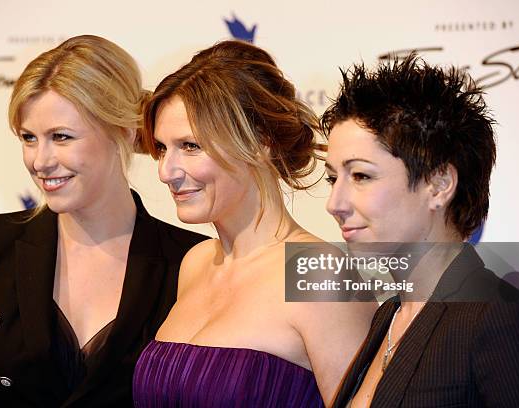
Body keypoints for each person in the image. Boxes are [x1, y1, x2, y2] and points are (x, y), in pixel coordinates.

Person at [0, 35, 207, 407]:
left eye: (61, 137)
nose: (40, 161)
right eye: (29, 138)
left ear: (122, 131)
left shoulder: (193, 261)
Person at [131, 40, 376, 407]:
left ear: (260, 142)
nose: (166, 172)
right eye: (163, 148)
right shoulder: (195, 263)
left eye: (191, 146)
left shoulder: (318, 274)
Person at [321, 54, 519, 407]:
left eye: (361, 176)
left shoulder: (500, 319)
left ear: (438, 184)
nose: (334, 203)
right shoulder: (387, 316)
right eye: (333, 178)